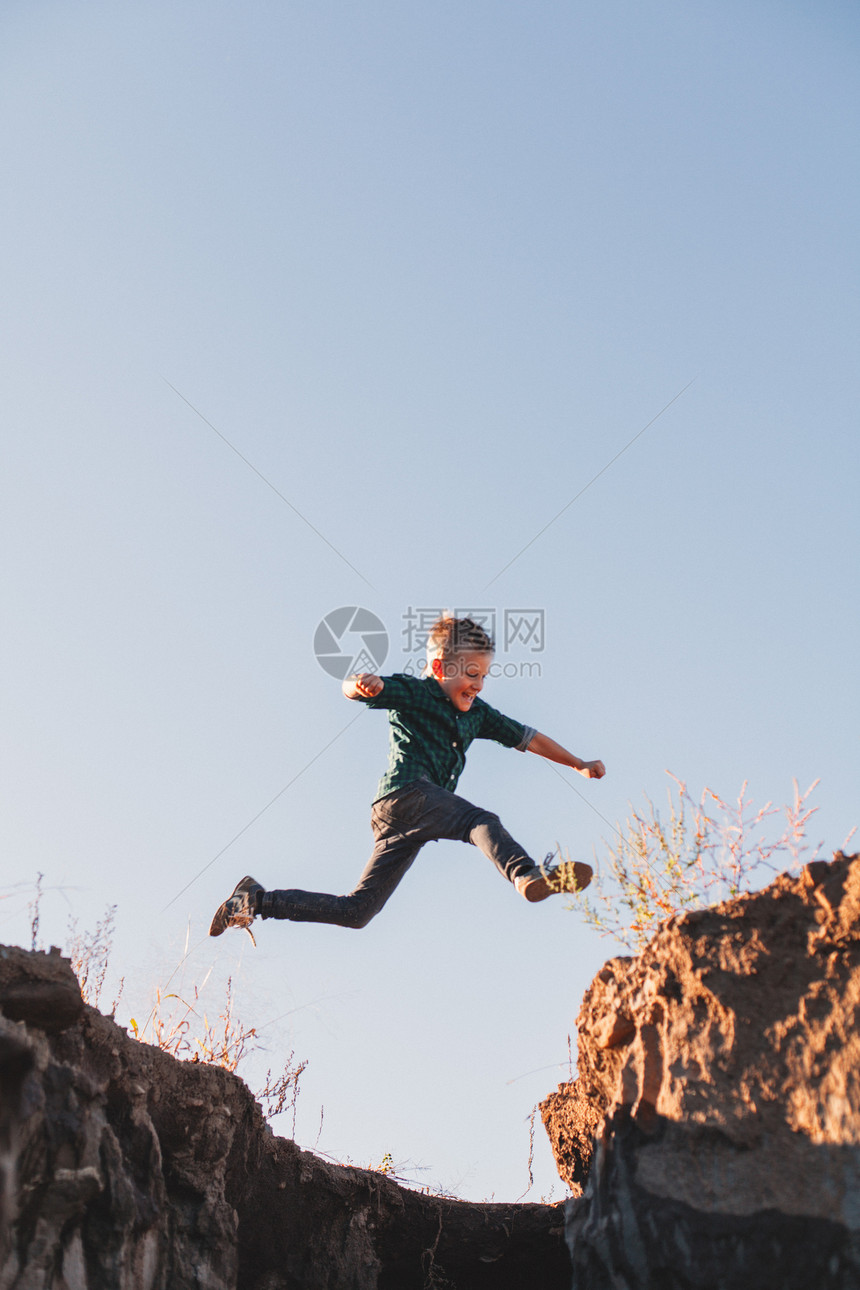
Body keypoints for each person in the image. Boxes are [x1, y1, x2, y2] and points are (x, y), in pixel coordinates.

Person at [209, 615, 605, 941]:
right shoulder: (417, 692)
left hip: (403, 819)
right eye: (470, 674)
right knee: (478, 821)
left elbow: (528, 737)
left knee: (358, 911)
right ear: (439, 669)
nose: (478, 685)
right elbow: (358, 690)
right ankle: (525, 874)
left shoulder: (478, 713)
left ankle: (253, 901)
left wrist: (576, 762)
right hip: (407, 796)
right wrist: (361, 684)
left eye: (484, 676)